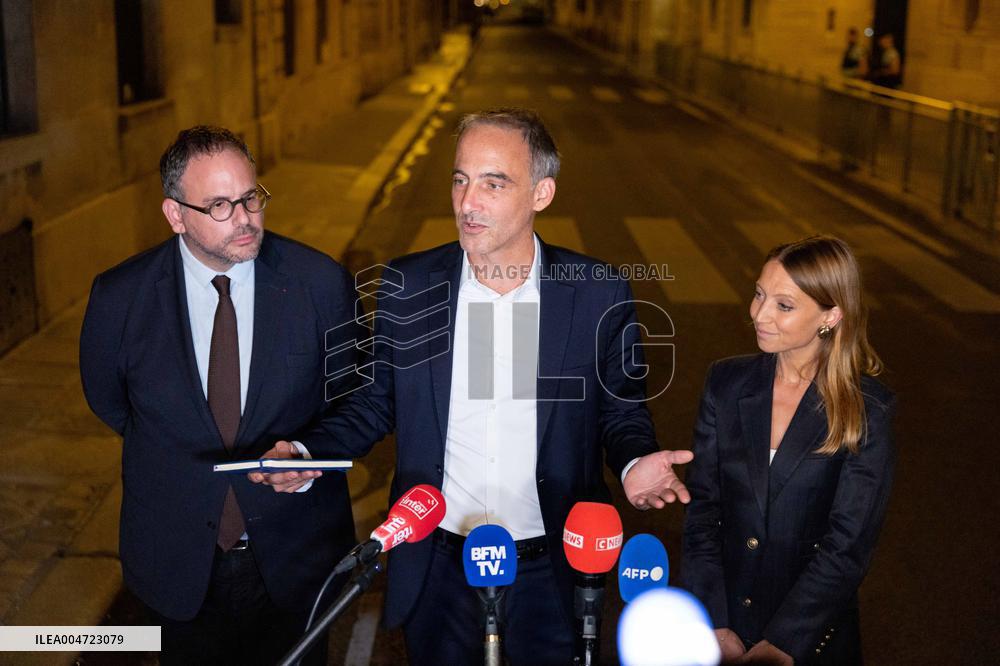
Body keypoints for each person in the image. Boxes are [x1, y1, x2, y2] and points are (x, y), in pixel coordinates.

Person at [254, 108, 693, 665]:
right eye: (460, 180)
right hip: (439, 566)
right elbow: (374, 400)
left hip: (551, 566)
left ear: (542, 193)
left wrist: (633, 464)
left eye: (493, 183)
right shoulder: (408, 284)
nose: (467, 202)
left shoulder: (597, 293)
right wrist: (309, 450)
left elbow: (620, 412)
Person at [79, 126, 362, 665]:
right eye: (219, 205)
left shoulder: (320, 283)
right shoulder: (119, 298)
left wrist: (308, 453)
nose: (245, 218)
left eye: (251, 197)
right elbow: (112, 402)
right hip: (179, 562)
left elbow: (358, 398)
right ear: (175, 214)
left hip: (296, 560)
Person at [681, 236, 895, 665]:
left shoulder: (866, 408)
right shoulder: (725, 383)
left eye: (784, 305)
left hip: (811, 639)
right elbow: (703, 511)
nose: (758, 314)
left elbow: (848, 545)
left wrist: (784, 641)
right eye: (759, 294)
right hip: (721, 633)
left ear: (830, 316)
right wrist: (715, 621)